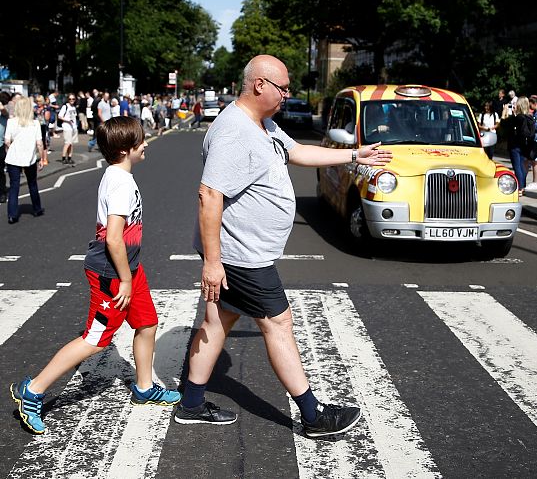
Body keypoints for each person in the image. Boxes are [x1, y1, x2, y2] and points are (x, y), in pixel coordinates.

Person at [175, 55, 392, 437]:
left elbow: (299, 153)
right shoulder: (233, 131)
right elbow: (209, 195)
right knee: (278, 322)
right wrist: (213, 262)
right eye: (283, 88)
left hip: (240, 252)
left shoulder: (263, 125)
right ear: (260, 85)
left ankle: (191, 403)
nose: (287, 95)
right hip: (240, 255)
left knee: (218, 320)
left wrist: (356, 155)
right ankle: (313, 415)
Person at [10, 117, 181, 434]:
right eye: (140, 141)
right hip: (112, 275)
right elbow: (114, 238)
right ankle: (31, 390)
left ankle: (144, 388)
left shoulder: (119, 176)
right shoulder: (119, 183)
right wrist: (125, 280)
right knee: (95, 340)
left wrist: (130, 274)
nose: (146, 144)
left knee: (146, 323)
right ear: (126, 149)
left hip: (128, 268)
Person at [4, 96, 45, 223]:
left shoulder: (11, 122)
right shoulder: (35, 123)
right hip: (30, 158)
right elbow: (39, 143)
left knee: (14, 186)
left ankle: (12, 215)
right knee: (32, 184)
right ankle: (37, 209)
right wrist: (42, 159)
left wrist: (13, 149)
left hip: (13, 158)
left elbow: (6, 141)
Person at [508, 96, 532, 195]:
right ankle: (523, 186)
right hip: (525, 144)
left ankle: (520, 188)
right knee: (522, 166)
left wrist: (509, 114)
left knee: (517, 166)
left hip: (515, 144)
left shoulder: (518, 118)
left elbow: (507, 127)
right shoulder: (529, 117)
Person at [57, 93, 79, 165]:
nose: (71, 100)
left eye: (73, 99)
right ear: (68, 99)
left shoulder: (74, 107)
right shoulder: (65, 106)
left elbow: (74, 117)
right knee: (67, 143)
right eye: (70, 99)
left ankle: (69, 157)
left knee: (71, 144)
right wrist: (67, 120)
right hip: (67, 127)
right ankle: (63, 158)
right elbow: (60, 116)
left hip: (73, 127)